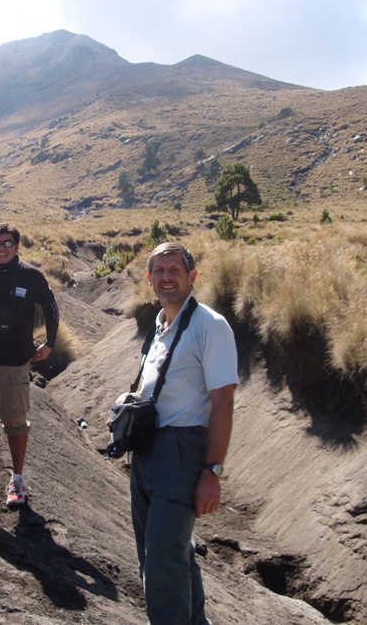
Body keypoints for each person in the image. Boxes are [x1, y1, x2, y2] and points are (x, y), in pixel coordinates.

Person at [127, 242, 238, 625]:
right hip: (147, 453)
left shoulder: (210, 325)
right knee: (167, 553)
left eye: (175, 270)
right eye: (158, 270)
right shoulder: (159, 325)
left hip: (183, 452)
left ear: (192, 277)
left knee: (161, 562)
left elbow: (223, 402)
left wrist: (212, 471)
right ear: (149, 278)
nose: (166, 277)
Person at [0, 223, 59, 508]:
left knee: (16, 424)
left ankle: (17, 480)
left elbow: (51, 307)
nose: (1, 248)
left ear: (17, 246)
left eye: (7, 243)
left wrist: (50, 343)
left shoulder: (31, 276)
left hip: (15, 362)